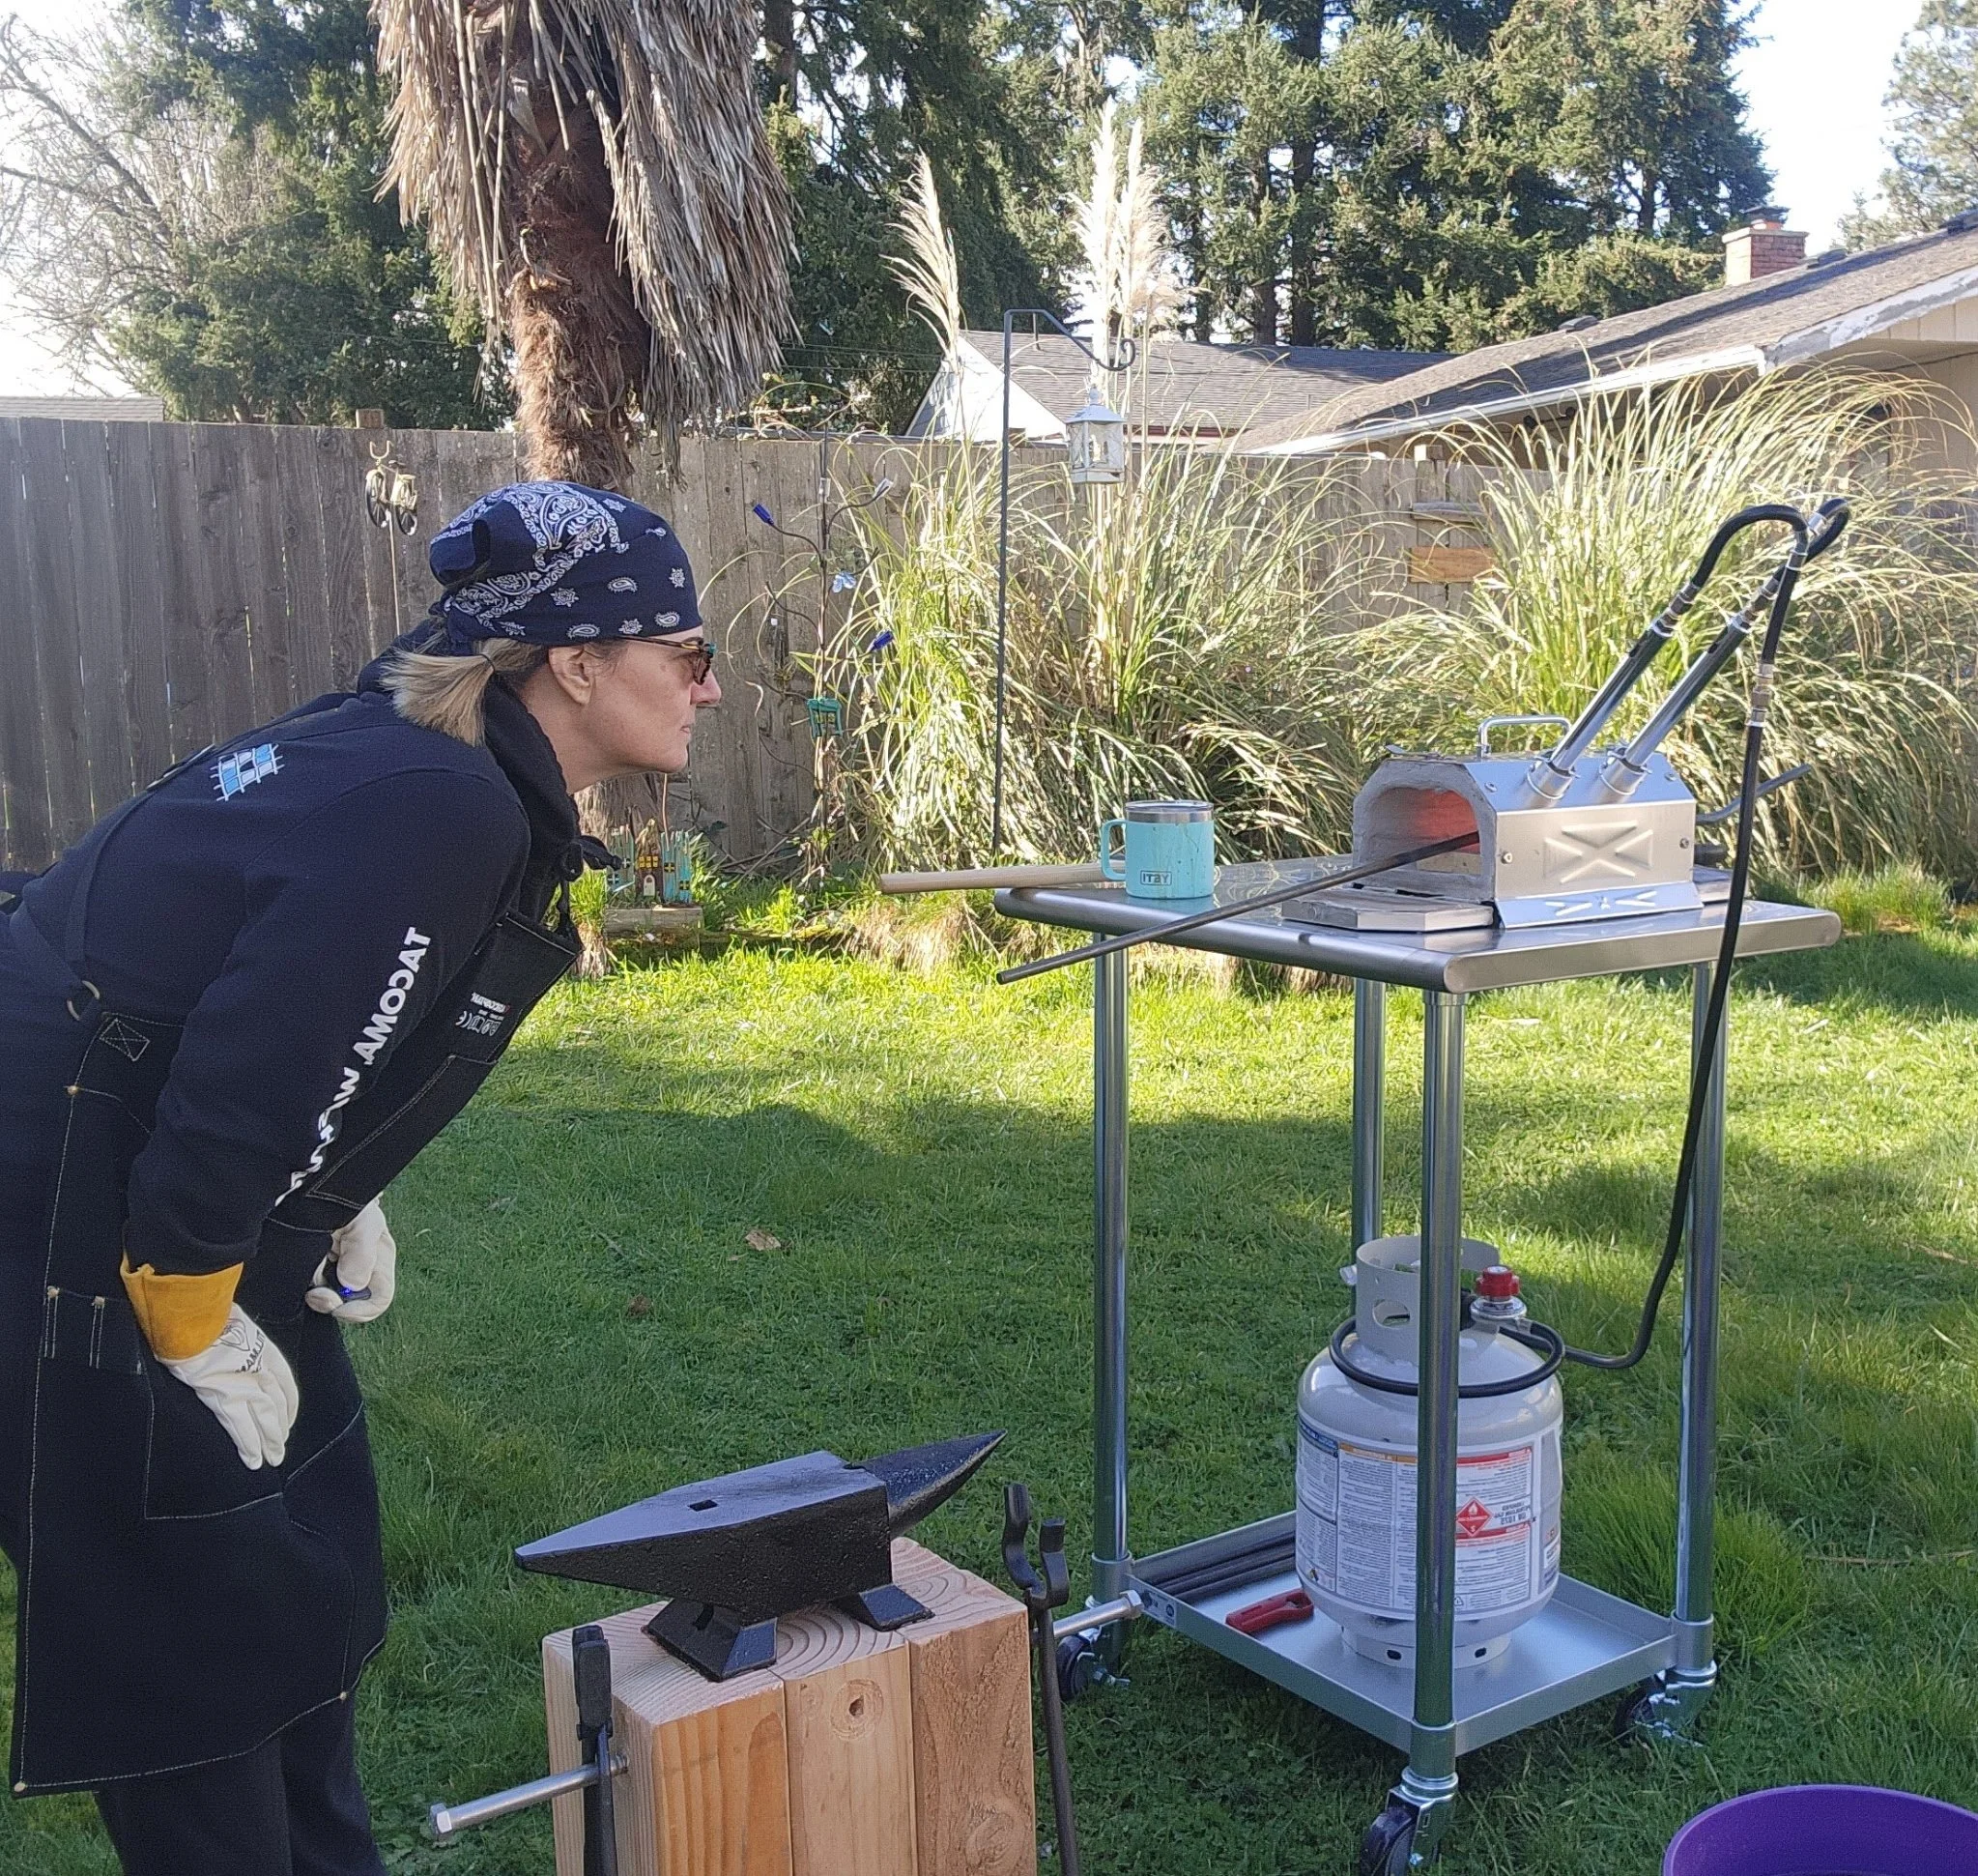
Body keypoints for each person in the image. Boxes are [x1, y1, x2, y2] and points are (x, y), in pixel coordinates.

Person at [0, 479, 721, 1875]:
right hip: (78, 1234)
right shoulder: (434, 807)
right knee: (196, 1659)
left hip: (168, 1201)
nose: (706, 687)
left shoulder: (400, 755)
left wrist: (332, 1187)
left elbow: (273, 1004)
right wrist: (188, 1315)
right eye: (685, 651)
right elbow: (235, 1098)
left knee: (289, 1614)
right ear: (575, 660)